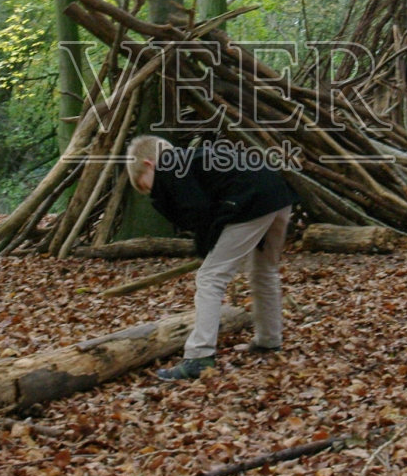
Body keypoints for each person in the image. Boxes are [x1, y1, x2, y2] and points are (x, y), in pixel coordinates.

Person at [126, 135, 298, 380]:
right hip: (277, 194)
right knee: (264, 271)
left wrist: (205, 246)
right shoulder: (196, 160)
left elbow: (199, 212)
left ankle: (199, 356)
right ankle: (269, 340)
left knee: (210, 277)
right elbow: (210, 206)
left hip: (251, 201)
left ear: (149, 164)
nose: (151, 192)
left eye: (145, 185)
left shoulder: (171, 166)